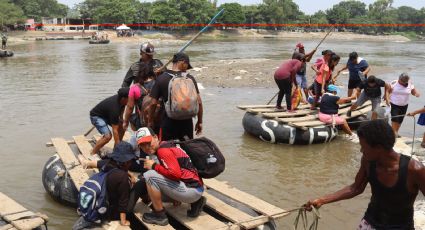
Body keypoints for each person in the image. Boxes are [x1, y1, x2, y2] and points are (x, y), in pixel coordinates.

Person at [305, 120, 425, 229]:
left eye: (363, 147)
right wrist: (322, 200)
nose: (361, 151)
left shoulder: (415, 170)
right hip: (370, 222)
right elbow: (355, 188)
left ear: (378, 147)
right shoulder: (368, 161)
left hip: (400, 227)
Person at [136, 127, 206, 226]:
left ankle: (160, 215)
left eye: (148, 142)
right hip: (197, 189)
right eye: (142, 145)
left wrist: (154, 166)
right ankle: (196, 202)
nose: (146, 147)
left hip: (191, 191)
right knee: (156, 192)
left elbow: (175, 175)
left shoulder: (162, 151)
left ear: (155, 137)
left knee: (149, 176)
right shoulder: (167, 145)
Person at [73, 142, 136, 229]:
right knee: (138, 186)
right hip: (108, 212)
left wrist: (131, 175)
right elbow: (123, 202)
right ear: (126, 162)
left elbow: (96, 163)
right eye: (131, 160)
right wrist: (123, 221)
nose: (131, 163)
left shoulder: (107, 163)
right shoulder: (122, 177)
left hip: (100, 205)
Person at [148, 52, 203, 141]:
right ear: (182, 62)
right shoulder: (190, 78)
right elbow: (199, 102)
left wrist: (150, 121)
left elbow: (152, 103)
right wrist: (200, 122)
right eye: (187, 65)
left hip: (168, 122)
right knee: (187, 150)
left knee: (167, 150)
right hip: (187, 124)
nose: (187, 69)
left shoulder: (162, 78)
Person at [89, 87, 129, 156]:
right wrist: (118, 146)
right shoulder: (114, 109)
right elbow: (115, 131)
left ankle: (115, 149)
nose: (131, 100)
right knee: (108, 136)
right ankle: (93, 153)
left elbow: (123, 107)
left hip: (106, 114)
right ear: (123, 98)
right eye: (129, 98)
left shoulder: (122, 101)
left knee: (122, 128)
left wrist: (121, 119)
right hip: (96, 116)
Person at [122, 62, 161, 131]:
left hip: (143, 121)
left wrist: (125, 122)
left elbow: (130, 107)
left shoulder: (134, 87)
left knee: (132, 118)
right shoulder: (158, 83)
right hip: (158, 119)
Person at [389, 73, 420, 137]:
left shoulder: (409, 83)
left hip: (404, 105)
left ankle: (396, 132)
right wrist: (387, 98)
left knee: (400, 120)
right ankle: (392, 134)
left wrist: (416, 94)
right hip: (394, 104)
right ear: (399, 79)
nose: (403, 83)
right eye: (402, 81)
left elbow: (413, 92)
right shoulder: (394, 83)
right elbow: (388, 90)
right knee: (395, 119)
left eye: (404, 82)